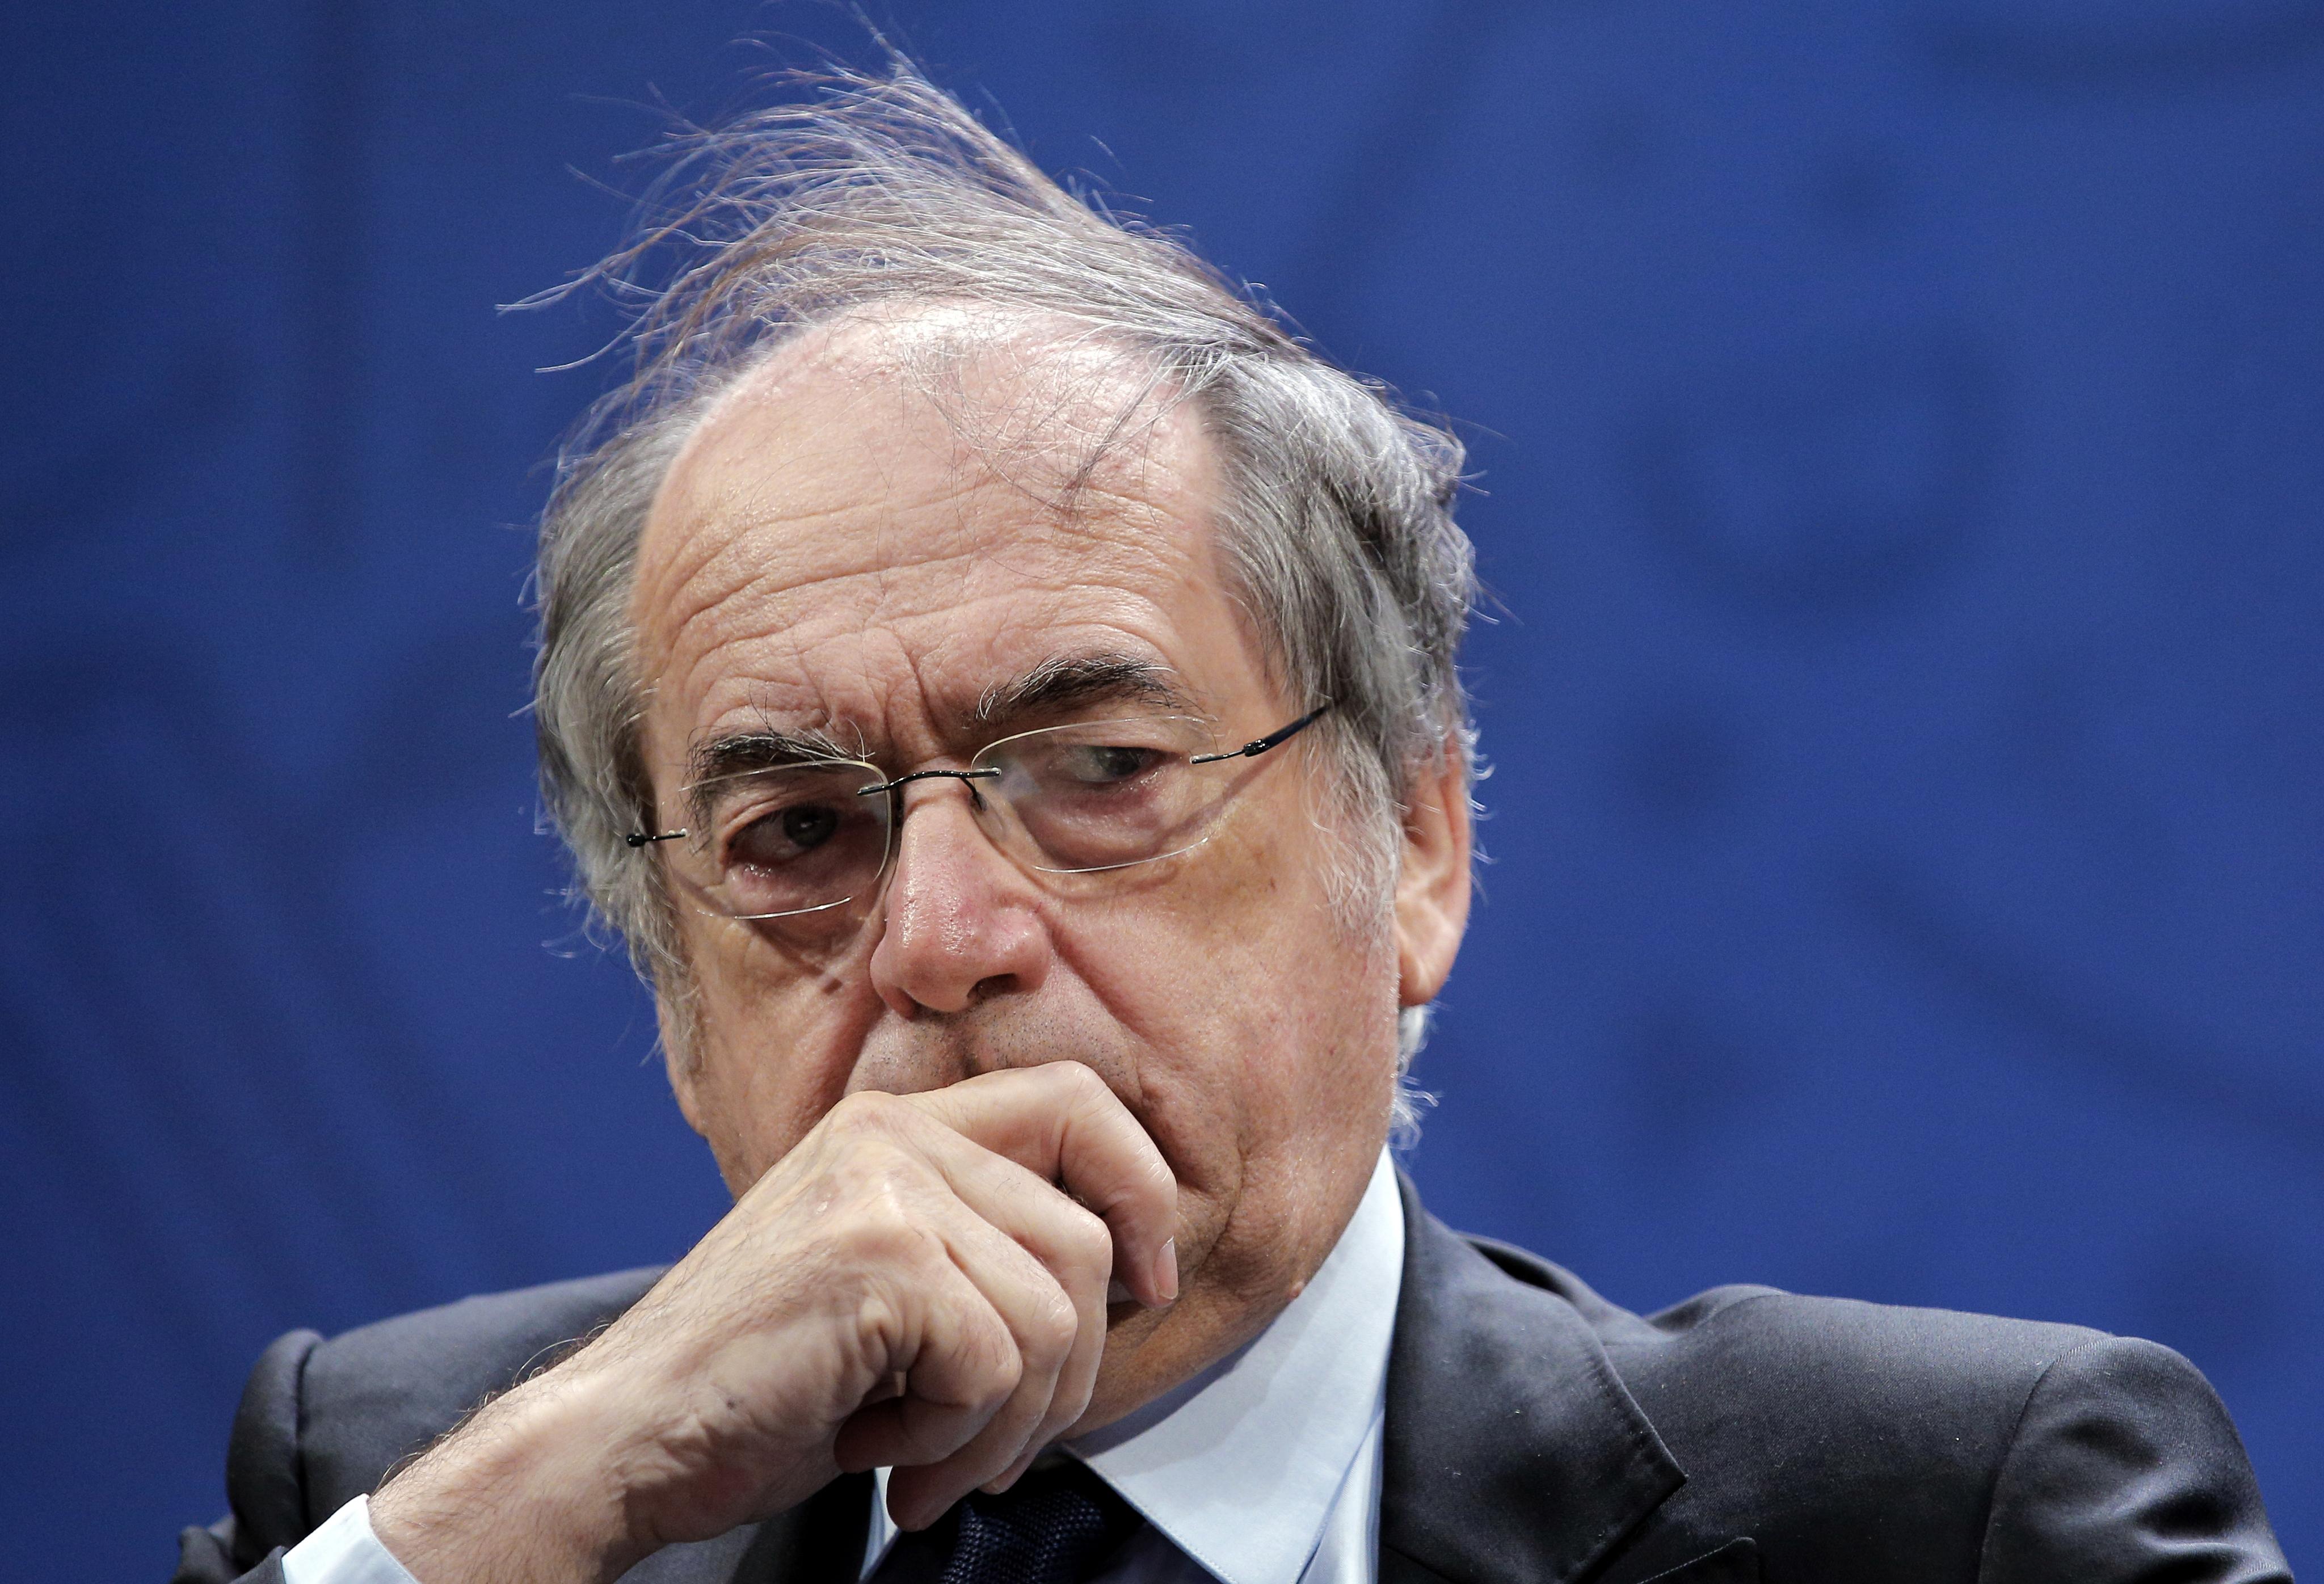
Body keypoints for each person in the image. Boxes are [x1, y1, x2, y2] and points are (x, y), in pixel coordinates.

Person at [174, 62, 2288, 1584]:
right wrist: (534, 1510)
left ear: (1420, 850)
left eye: (1100, 772)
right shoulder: (411, 1481)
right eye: (800, 835)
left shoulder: (1949, 1518)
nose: (940, 938)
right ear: (670, 996)